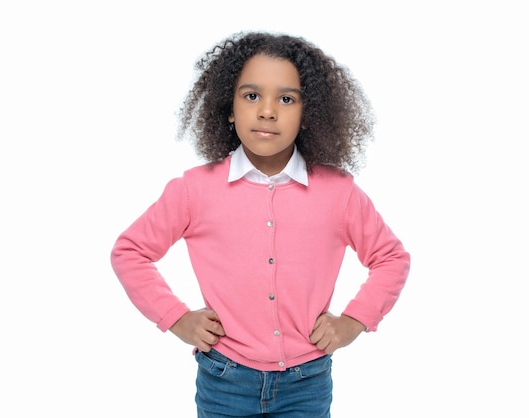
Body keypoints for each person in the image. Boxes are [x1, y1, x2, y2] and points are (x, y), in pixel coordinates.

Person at [111, 31, 410, 417]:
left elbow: (391, 258)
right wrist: (175, 317)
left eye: (286, 99)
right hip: (224, 380)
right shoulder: (194, 190)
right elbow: (130, 251)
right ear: (230, 107)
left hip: (307, 383)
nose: (267, 111)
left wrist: (354, 321)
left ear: (308, 113)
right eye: (252, 96)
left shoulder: (339, 193)